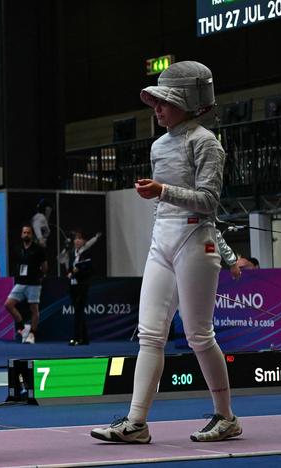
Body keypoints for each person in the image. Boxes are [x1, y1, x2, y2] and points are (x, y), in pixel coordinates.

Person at [91, 61, 241, 444]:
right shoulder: (159, 145)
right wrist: (162, 200)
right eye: (155, 103)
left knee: (198, 335)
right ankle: (136, 423)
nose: (156, 109)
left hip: (196, 242)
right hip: (163, 243)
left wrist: (163, 191)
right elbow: (166, 207)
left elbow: (208, 202)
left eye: (164, 103)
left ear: (189, 103)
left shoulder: (206, 142)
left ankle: (226, 417)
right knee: (149, 335)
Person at [4, 224, 48, 344]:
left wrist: (39, 276)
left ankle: (32, 334)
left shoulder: (38, 249)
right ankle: (22, 327)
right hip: (20, 282)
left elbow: (45, 267)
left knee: (34, 309)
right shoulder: (18, 249)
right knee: (8, 304)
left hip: (34, 283)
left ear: (32, 235)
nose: (26, 235)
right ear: (21, 234)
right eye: (24, 233)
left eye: (28, 233)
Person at [65, 230, 95, 346]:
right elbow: (70, 268)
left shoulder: (87, 253)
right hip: (73, 285)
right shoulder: (73, 253)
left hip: (83, 285)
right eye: (75, 238)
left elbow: (89, 269)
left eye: (80, 238)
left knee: (78, 311)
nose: (77, 240)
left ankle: (77, 338)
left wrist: (78, 271)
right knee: (78, 312)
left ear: (84, 241)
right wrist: (70, 272)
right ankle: (85, 338)